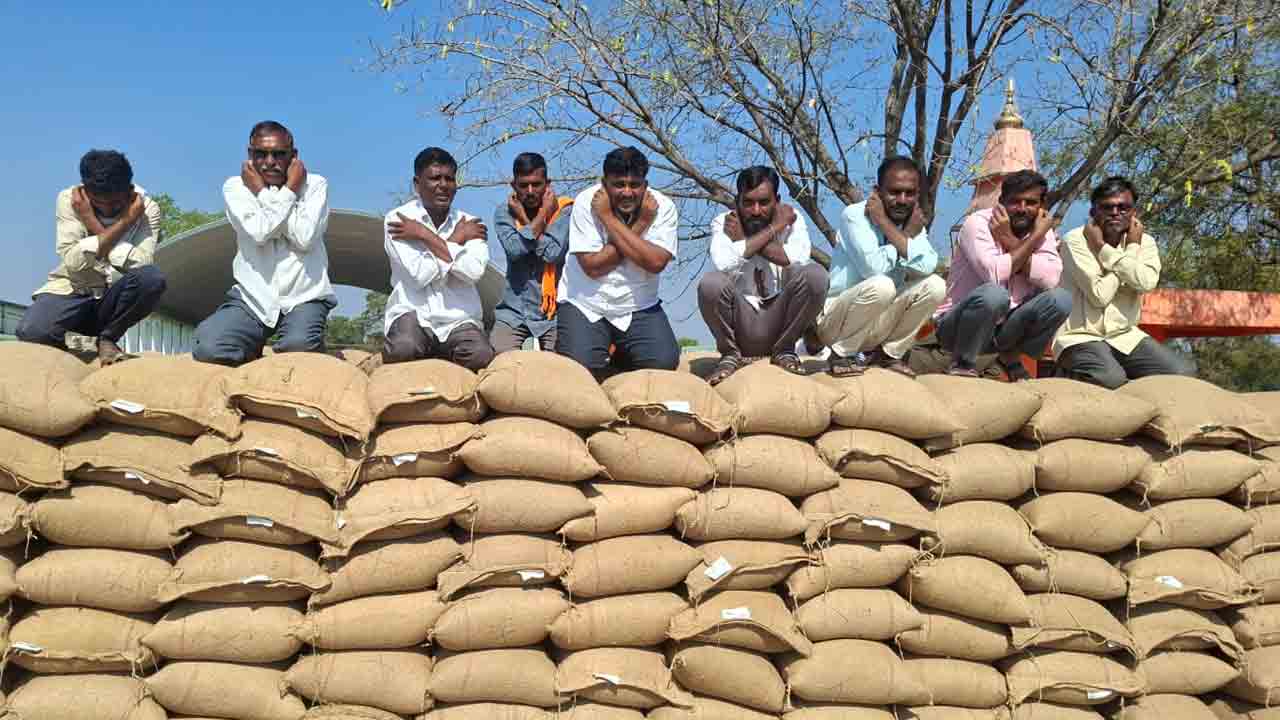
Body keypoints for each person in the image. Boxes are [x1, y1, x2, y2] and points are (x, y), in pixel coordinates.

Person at [192, 121, 335, 365]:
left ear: (294, 156)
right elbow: (259, 232)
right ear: (250, 154)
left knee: (298, 348)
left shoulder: (315, 185)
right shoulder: (236, 187)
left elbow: (305, 238)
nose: (270, 162)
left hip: (304, 296)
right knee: (209, 347)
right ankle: (252, 354)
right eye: (261, 154)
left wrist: (267, 193)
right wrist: (287, 194)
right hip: (253, 298)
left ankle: (308, 344)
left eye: (279, 154)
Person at [18, 149, 167, 365]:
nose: (107, 209)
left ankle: (107, 339)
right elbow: (72, 261)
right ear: (86, 192)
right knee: (32, 332)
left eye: (116, 203)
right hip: (72, 290)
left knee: (152, 278)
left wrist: (97, 223)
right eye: (98, 203)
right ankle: (64, 351)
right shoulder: (69, 199)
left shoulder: (147, 209)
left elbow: (142, 265)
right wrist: (121, 223)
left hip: (112, 299)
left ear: (130, 191)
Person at [1054, 176, 1195, 387]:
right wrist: (1129, 254)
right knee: (1111, 378)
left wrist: (1104, 249)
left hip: (1125, 336)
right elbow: (1099, 295)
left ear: (1133, 213)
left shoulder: (1145, 242)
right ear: (1093, 212)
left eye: (1123, 207)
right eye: (1107, 207)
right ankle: (1068, 375)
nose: (1115, 213)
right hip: (1079, 337)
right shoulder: (1075, 240)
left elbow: (1146, 282)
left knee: (1182, 374)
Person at [556, 146, 680, 380]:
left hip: (638, 305)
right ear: (604, 184)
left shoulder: (662, 207)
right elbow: (593, 267)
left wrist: (608, 219)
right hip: (586, 302)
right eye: (619, 184)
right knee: (580, 371)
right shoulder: (586, 202)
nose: (627, 192)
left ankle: (622, 357)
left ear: (645, 185)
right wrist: (639, 225)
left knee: (663, 362)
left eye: (635, 185)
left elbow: (655, 262)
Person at [935, 169, 1071, 379]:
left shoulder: (1041, 231)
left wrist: (1016, 238)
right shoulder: (977, 223)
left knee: (1061, 299)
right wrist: (1033, 239)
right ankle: (963, 363)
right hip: (958, 326)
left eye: (1030, 203)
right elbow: (995, 275)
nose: (1022, 209)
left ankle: (1010, 356)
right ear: (1001, 202)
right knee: (994, 294)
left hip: (1004, 328)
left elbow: (1051, 280)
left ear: (1041, 206)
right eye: (1014, 201)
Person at [697, 166, 827, 385]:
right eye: (748, 203)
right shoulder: (725, 222)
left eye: (764, 202)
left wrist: (745, 240)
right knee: (711, 283)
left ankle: (785, 352)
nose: (756, 211)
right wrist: (773, 229)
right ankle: (730, 355)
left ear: (777, 200)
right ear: (737, 201)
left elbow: (795, 259)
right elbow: (723, 262)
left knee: (816, 276)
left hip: (782, 324)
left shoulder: (792, 219)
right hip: (741, 324)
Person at [817, 156, 945, 377]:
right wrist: (904, 237)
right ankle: (841, 355)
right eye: (894, 192)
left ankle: (889, 355)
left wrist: (888, 226)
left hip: (877, 325)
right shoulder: (855, 215)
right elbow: (873, 269)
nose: (902, 200)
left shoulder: (912, 222)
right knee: (882, 285)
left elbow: (928, 266)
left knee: (936, 285)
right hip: (838, 323)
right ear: (877, 191)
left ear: (918, 194)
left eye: (910, 193)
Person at [381, 147, 495, 371]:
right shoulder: (399, 220)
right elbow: (420, 275)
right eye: (435, 178)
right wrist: (457, 239)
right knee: (403, 348)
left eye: (449, 179)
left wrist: (423, 235)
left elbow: (472, 272)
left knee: (481, 355)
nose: (443, 185)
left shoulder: (471, 223)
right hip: (413, 315)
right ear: (417, 184)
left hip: (459, 320)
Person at [491, 152, 572, 353]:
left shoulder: (564, 210)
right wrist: (541, 216)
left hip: (554, 313)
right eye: (523, 185)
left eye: (536, 185)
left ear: (547, 184)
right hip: (513, 312)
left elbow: (552, 254)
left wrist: (528, 220)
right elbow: (514, 250)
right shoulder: (505, 212)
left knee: (562, 364)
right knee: (498, 360)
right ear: (513, 185)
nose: (530, 191)